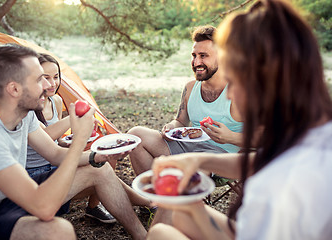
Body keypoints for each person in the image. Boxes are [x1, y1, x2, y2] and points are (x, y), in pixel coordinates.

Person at [146, 0, 332, 239]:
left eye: (233, 81)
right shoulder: (315, 132)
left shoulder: (273, 191)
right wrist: (195, 160)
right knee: (179, 215)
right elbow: (263, 159)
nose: (230, 93)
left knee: (161, 233)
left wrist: (191, 202)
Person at [0, 43, 149, 240]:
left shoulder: (22, 112)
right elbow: (43, 207)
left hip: (13, 196)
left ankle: (143, 236)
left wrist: (99, 155)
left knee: (100, 167)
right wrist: (80, 138)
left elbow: (54, 154)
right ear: (14, 89)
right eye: (40, 79)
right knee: (58, 230)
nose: (49, 86)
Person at [127, 25, 243, 183]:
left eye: (203, 56)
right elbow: (181, 121)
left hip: (222, 157)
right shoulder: (190, 88)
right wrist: (172, 126)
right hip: (188, 148)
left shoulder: (239, 92)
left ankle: (176, 204)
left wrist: (231, 137)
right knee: (136, 135)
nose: (196, 62)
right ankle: (153, 203)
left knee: (192, 169)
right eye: (194, 55)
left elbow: (267, 138)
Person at [26, 53, 116, 223]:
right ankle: (147, 201)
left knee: (106, 153)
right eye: (46, 77)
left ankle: (93, 207)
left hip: (54, 162)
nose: (52, 83)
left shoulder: (56, 101)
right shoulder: (27, 106)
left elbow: (56, 140)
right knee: (99, 168)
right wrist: (74, 117)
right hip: (36, 171)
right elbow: (45, 136)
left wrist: (75, 140)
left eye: (56, 77)